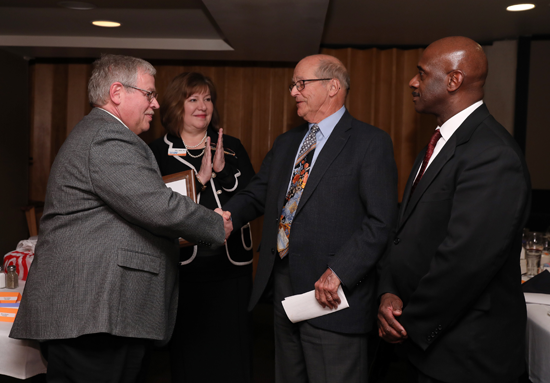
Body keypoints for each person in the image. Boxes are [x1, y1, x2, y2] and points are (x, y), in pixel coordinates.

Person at [9, 54, 232, 383]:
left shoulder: (105, 135)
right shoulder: (106, 138)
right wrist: (215, 225)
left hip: (100, 314)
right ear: (117, 93)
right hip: (93, 313)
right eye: (149, 94)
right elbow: (156, 206)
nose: (155, 104)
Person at [224, 54, 398, 382]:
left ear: (333, 87)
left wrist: (339, 272)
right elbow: (258, 193)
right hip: (283, 287)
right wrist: (227, 217)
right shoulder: (289, 142)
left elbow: (380, 221)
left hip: (332, 293)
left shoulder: (370, 143)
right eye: (293, 84)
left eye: (300, 84)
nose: (293, 92)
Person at [377, 36, 531, 383]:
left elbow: (465, 262)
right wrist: (389, 291)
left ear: (453, 80)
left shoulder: (493, 155)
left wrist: (407, 321)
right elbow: (405, 234)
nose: (413, 82)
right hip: (429, 346)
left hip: (465, 356)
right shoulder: (437, 143)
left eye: (421, 72)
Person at [148, 72, 255, 382]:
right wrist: (199, 180)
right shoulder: (157, 152)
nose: (202, 106)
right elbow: (155, 207)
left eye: (207, 99)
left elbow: (253, 196)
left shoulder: (231, 146)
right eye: (193, 98)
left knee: (233, 350)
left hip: (231, 266)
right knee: (191, 350)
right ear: (175, 106)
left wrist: (223, 173)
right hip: (185, 267)